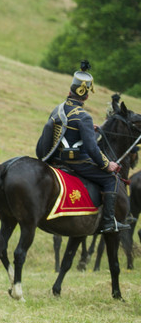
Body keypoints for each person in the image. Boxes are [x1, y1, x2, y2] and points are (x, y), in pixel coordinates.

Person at [36, 61, 130, 234]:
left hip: (56, 159)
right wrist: (107, 165)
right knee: (110, 180)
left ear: (69, 91)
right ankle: (109, 222)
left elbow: (65, 132)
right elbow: (92, 149)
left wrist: (88, 128)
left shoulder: (58, 109)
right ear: (86, 96)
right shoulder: (83, 116)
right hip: (76, 162)